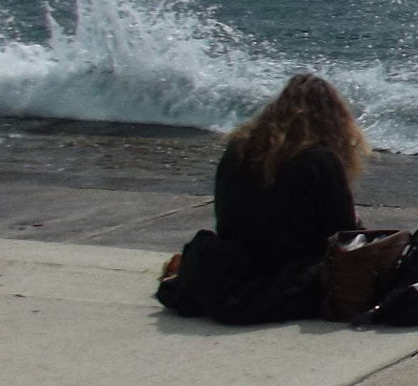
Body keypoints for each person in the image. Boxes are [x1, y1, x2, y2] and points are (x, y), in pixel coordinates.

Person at [157, 74, 368, 323]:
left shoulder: (238, 147)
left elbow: (225, 222)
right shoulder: (321, 161)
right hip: (291, 273)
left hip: (236, 266)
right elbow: (341, 236)